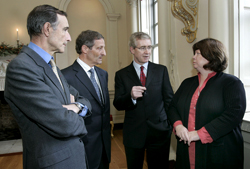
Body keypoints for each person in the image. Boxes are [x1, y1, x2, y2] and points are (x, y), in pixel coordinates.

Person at [4, 5, 92, 169]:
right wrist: (74, 110)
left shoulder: (51, 65)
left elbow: (84, 101)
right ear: (47, 29)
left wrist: (75, 107)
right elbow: (64, 123)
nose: (69, 37)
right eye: (65, 30)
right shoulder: (21, 68)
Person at [167, 38, 246, 169]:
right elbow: (172, 107)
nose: (193, 57)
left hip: (219, 152)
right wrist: (178, 126)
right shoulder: (187, 83)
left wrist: (199, 134)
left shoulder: (231, 83)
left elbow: (233, 115)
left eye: (198, 53)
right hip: (186, 150)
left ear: (212, 56)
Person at [113, 32, 174, 169]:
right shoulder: (121, 75)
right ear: (132, 50)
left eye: (149, 47)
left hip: (160, 131)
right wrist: (131, 97)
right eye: (142, 48)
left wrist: (171, 124)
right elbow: (117, 103)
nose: (147, 52)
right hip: (134, 133)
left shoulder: (161, 70)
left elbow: (169, 100)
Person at [62, 30, 111, 169]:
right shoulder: (65, 76)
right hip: (82, 147)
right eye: (99, 48)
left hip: (104, 147)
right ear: (85, 49)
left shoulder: (103, 74)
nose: (104, 53)